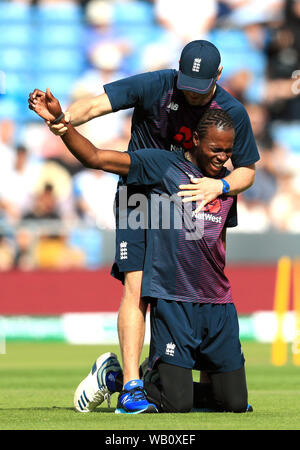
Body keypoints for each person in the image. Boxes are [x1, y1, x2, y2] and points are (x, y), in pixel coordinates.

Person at [29, 39, 259, 413]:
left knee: (194, 282)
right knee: (137, 287)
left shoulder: (231, 112)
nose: (191, 94)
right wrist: (61, 119)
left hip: (190, 197)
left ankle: (140, 378)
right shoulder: (157, 85)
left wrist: (219, 185)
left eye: (200, 88)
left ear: (218, 77)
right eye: (186, 83)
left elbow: (247, 169)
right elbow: (94, 105)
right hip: (140, 193)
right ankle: (132, 384)